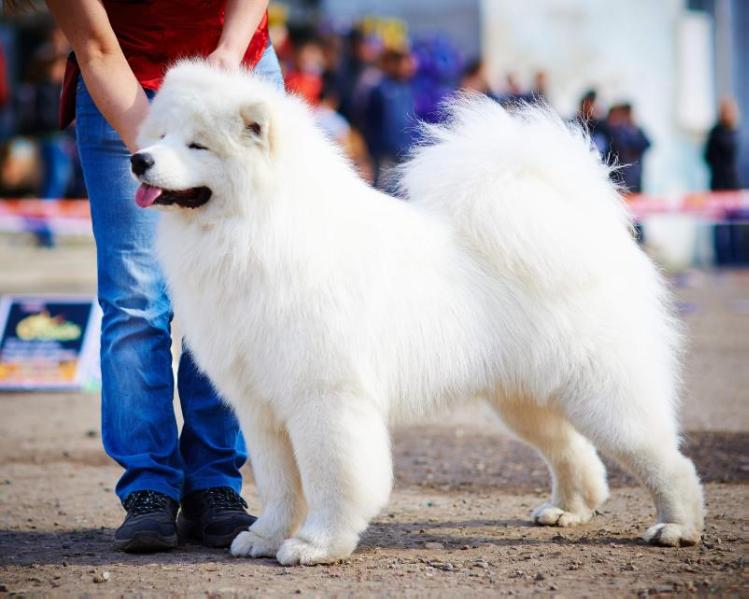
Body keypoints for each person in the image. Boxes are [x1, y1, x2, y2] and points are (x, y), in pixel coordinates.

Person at [35, 0, 283, 553]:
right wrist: (158, 148)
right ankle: (148, 488)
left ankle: (216, 481)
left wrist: (227, 54)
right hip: (122, 81)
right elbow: (97, 48)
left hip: (235, 66)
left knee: (228, 290)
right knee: (134, 298)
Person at [363, 48, 417, 191]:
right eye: (404, 63)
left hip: (404, 150)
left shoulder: (407, 89)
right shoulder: (380, 89)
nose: (409, 67)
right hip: (383, 154)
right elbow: (369, 121)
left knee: (401, 190)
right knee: (383, 189)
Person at [607, 102, 651, 193]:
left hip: (635, 175)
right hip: (622, 176)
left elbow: (647, 143)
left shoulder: (637, 130)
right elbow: (622, 146)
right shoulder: (617, 130)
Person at [705, 98, 741, 191]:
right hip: (720, 182)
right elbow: (708, 157)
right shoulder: (717, 133)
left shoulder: (733, 132)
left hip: (731, 182)